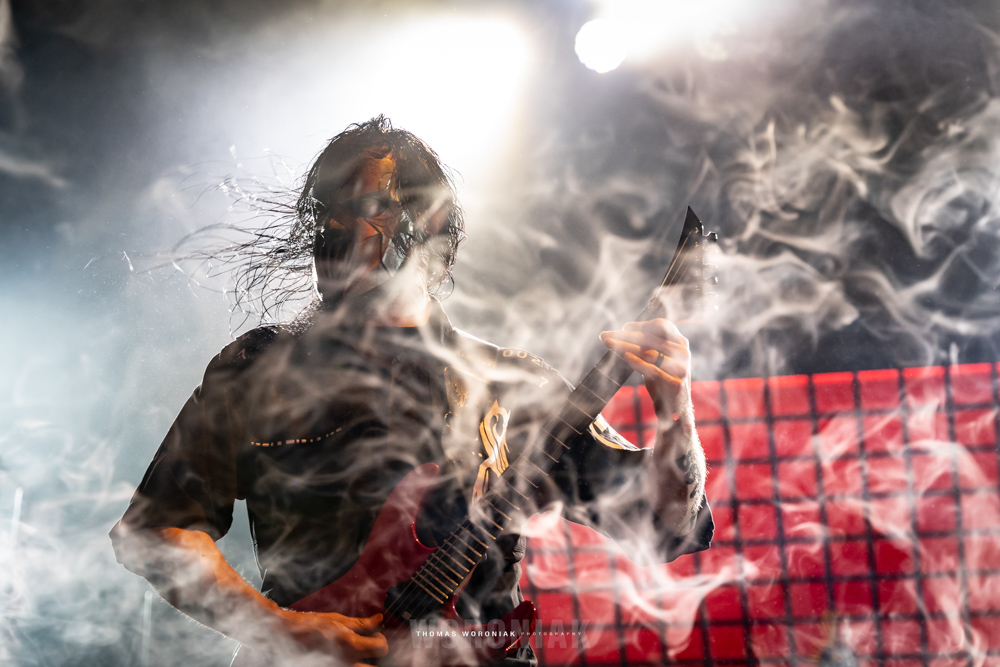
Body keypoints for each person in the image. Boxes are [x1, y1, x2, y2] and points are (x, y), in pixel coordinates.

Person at [110, 116, 712, 667]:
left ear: (429, 224)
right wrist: (282, 630)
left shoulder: (510, 383)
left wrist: (674, 413)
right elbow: (156, 530)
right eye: (325, 211)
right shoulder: (257, 368)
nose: (334, 228)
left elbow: (666, 528)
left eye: (367, 207)